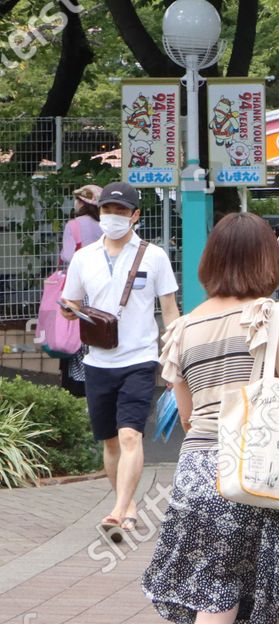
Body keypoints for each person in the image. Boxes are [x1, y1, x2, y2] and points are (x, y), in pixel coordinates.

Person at [142, 213, 279, 624]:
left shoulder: (183, 327)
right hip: (262, 465)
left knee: (215, 600)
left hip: (199, 469)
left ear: (211, 261)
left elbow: (187, 417)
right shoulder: (273, 314)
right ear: (267, 260)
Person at [58, 182, 179, 542]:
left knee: (130, 435)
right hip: (97, 362)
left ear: (135, 216)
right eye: (108, 210)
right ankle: (126, 506)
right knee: (110, 441)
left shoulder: (153, 256)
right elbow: (72, 303)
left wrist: (175, 356)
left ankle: (117, 510)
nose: (113, 217)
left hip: (140, 359)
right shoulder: (85, 257)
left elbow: (170, 311)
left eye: (121, 211)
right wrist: (70, 312)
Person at [56, 184, 104, 397]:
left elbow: (67, 256)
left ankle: (76, 388)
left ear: (82, 203)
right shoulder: (105, 226)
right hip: (101, 287)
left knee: (75, 336)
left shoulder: (74, 225)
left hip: (78, 287)